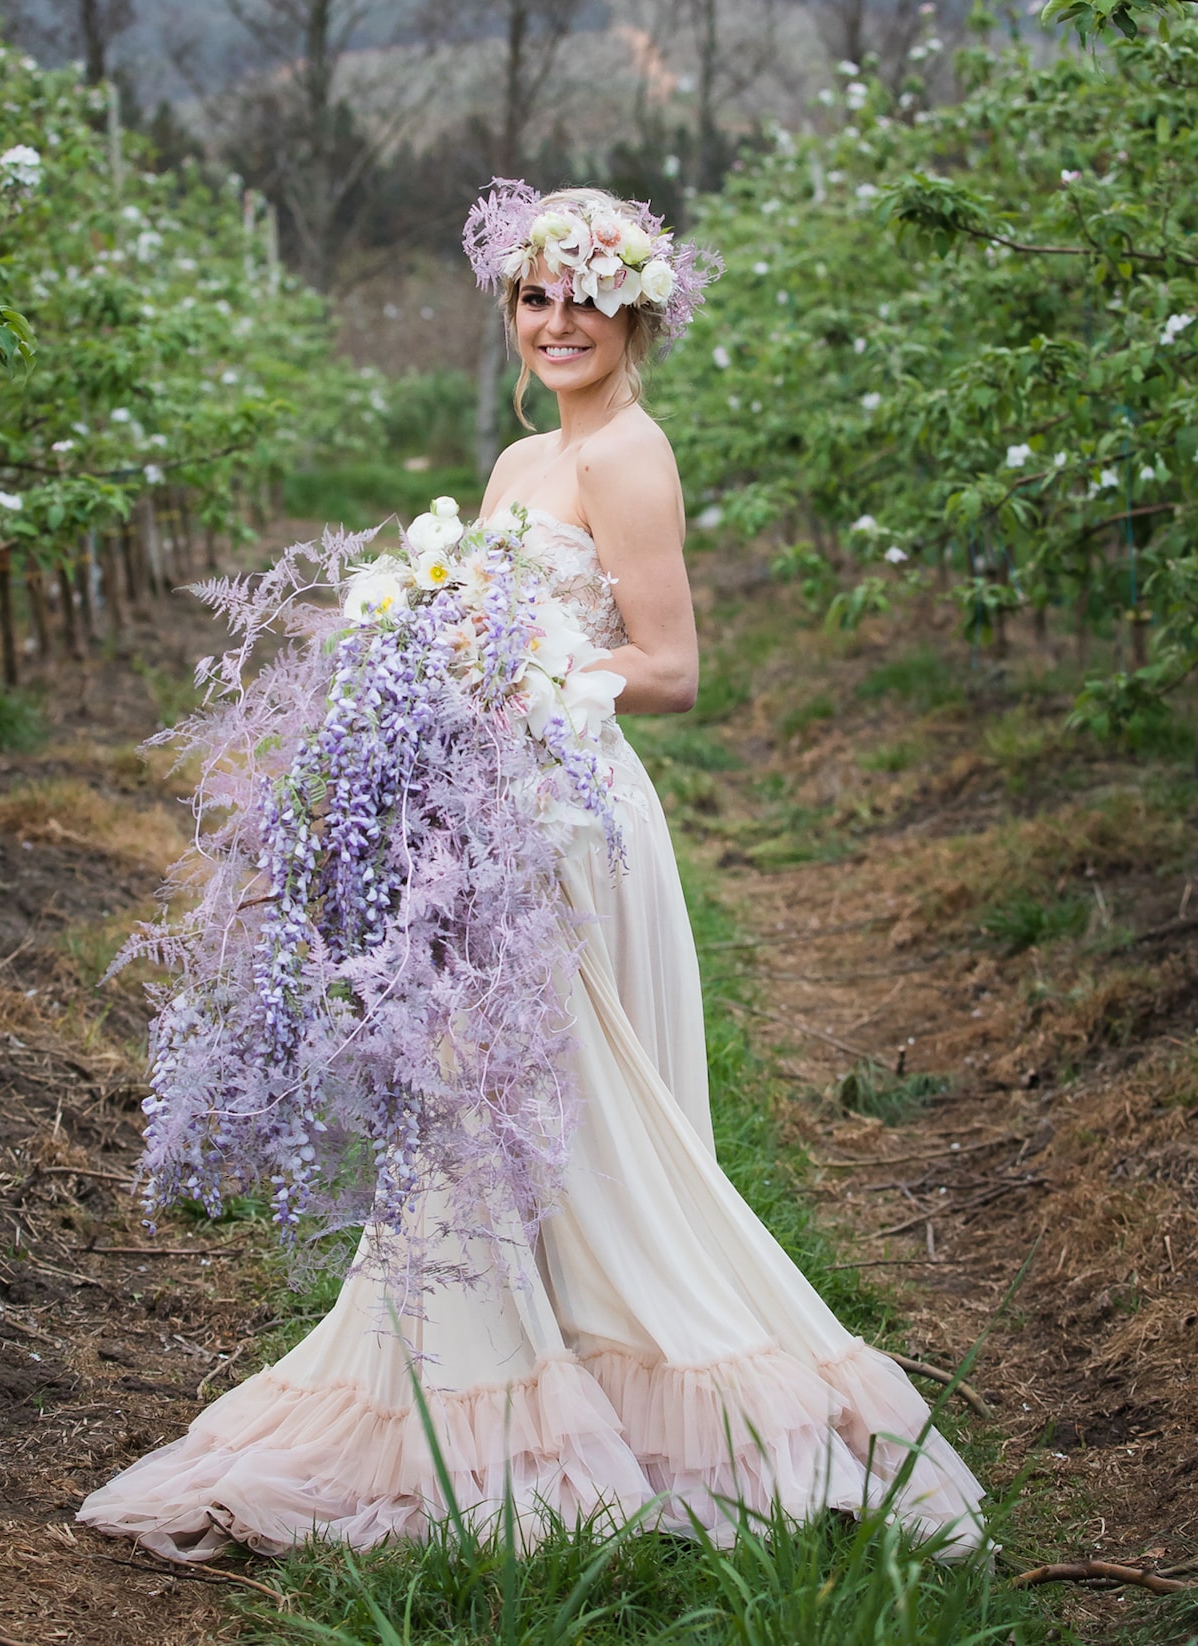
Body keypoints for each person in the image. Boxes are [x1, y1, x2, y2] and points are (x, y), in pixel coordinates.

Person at [77, 183, 985, 1560]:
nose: (557, 320)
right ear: (513, 309)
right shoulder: (517, 467)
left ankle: (614, 1399)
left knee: (559, 1107)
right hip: (483, 823)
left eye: (583, 296)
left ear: (633, 311)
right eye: (534, 295)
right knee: (472, 1098)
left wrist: (511, 671)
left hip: (570, 825)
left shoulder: (627, 451)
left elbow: (672, 669)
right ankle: (489, 1377)